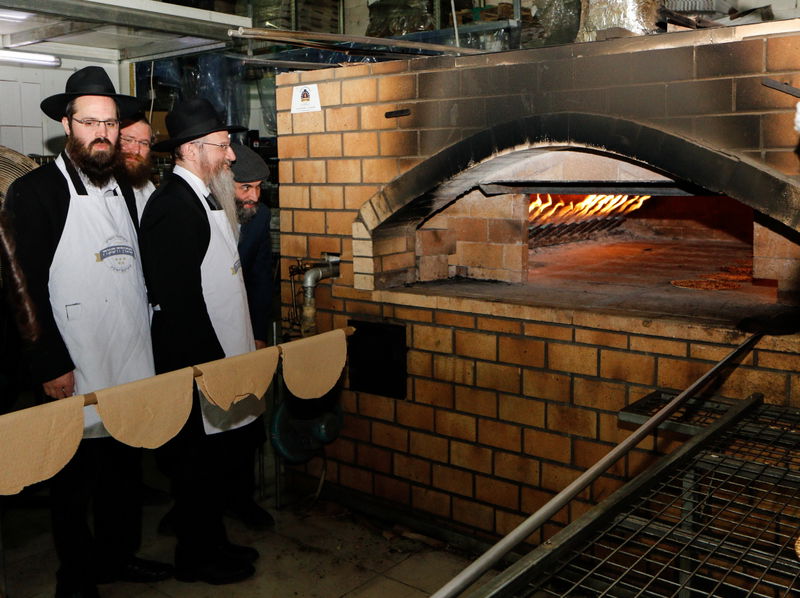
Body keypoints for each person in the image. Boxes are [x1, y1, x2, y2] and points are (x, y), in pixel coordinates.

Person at [2, 66, 172, 598]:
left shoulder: (124, 185)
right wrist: (49, 363)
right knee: (73, 482)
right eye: (89, 122)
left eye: (110, 123)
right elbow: (19, 285)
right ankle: (74, 578)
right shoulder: (36, 192)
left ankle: (118, 557)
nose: (102, 132)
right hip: (72, 363)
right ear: (66, 123)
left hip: (128, 354)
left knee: (125, 467)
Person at [138, 98, 264, 585]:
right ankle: (197, 559)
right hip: (197, 367)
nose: (230, 156)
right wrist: (210, 370)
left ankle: (215, 542)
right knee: (195, 472)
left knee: (214, 470)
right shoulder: (173, 206)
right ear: (191, 150)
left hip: (222, 361)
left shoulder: (205, 197)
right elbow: (180, 303)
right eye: (222, 146)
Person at [211, 142, 274, 530]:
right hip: (206, 331)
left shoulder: (260, 215)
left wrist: (261, 334)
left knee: (246, 421)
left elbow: (259, 276)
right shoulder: (204, 214)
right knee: (206, 428)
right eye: (245, 188)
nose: (253, 196)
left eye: (259, 188)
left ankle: (242, 499)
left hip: (245, 330)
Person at [118, 114, 155, 218]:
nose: (136, 150)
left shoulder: (149, 189)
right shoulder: (98, 189)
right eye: (128, 140)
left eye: (144, 143)